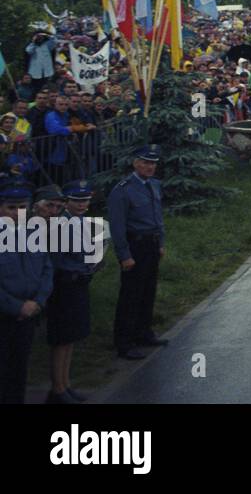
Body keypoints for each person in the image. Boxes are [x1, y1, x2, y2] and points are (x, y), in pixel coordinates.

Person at [108, 146, 168, 360]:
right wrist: (124, 255)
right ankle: (124, 342)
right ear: (135, 164)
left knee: (148, 291)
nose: (150, 167)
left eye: (153, 163)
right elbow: (117, 226)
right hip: (135, 246)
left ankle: (143, 332)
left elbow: (157, 217)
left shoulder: (153, 185)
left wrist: (160, 243)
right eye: (145, 162)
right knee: (131, 295)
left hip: (151, 244)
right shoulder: (123, 190)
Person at [45, 180, 101, 404]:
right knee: (62, 338)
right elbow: (59, 260)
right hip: (64, 284)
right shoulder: (60, 224)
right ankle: (57, 389)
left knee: (72, 337)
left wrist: (92, 264)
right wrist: (83, 267)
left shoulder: (80, 221)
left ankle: (66, 384)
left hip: (78, 282)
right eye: (77, 201)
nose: (82, 205)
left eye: (85, 200)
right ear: (66, 202)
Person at [0, 183, 52, 404]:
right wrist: (16, 306)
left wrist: (37, 302)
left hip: (30, 313)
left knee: (20, 369)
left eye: (22, 207)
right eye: (11, 207)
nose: (17, 212)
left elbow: (47, 269)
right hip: (4, 315)